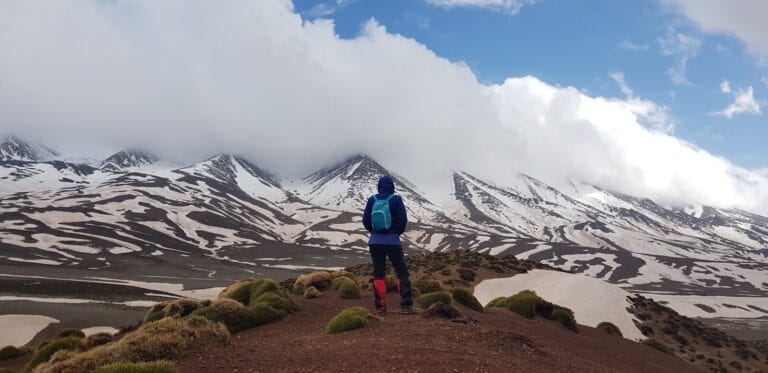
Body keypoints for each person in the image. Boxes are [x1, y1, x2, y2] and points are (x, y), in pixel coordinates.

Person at [362, 175, 415, 315]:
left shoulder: (372, 200)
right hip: (392, 241)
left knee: (378, 274)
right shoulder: (396, 200)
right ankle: (406, 305)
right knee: (402, 272)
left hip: (375, 242)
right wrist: (395, 232)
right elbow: (403, 221)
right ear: (392, 186)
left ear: (379, 186)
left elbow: (366, 220)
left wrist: (374, 232)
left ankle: (380, 307)